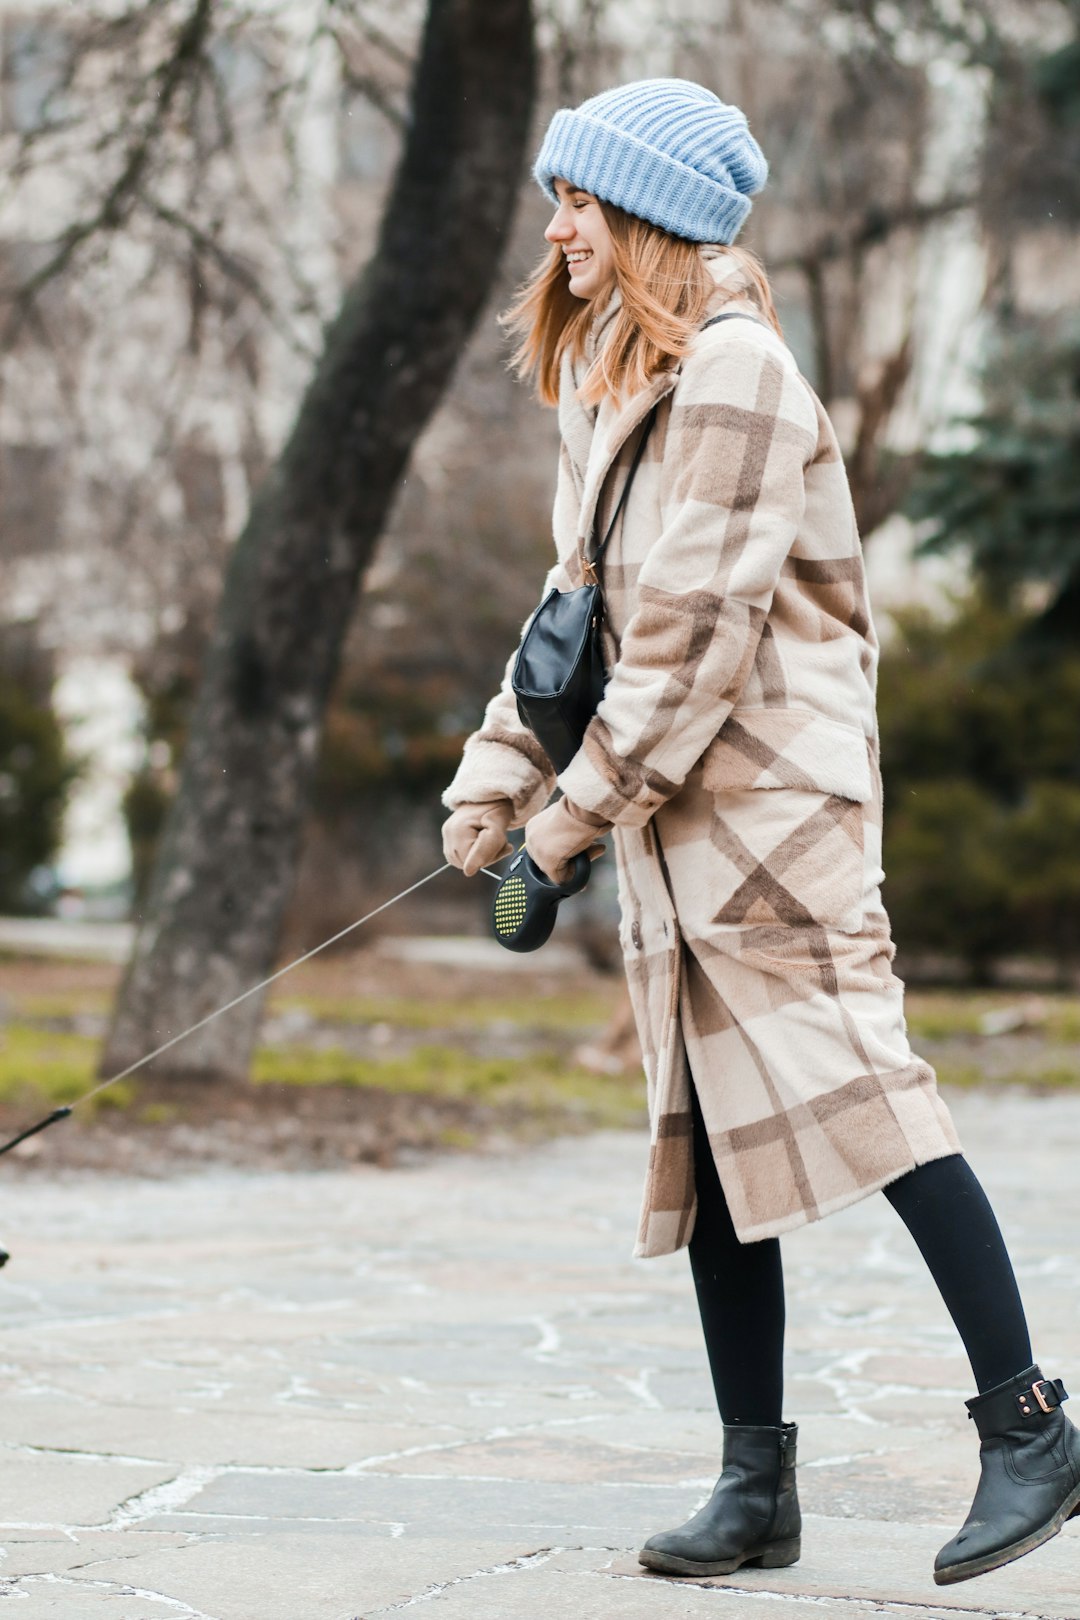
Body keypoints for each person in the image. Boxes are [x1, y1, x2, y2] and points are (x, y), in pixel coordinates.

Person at [440, 78, 1080, 1586]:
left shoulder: (736, 376)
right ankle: (755, 1487)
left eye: (581, 201)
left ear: (651, 214)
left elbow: (692, 646)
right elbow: (577, 624)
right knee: (713, 1144)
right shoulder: (612, 383)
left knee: (873, 1097)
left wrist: (564, 832)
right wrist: (493, 784)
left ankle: (1032, 1428)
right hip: (677, 825)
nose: (559, 228)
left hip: (771, 822)